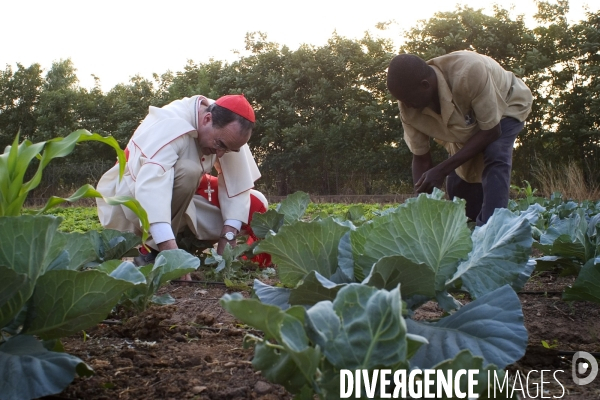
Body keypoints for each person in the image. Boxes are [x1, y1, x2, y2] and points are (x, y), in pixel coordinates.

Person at [96, 94, 266, 278]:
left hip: (180, 197)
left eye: (228, 149)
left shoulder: (229, 128)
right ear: (207, 119)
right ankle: (152, 251)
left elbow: (238, 186)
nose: (221, 153)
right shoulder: (171, 123)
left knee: (255, 204)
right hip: (129, 197)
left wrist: (228, 238)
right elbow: (151, 189)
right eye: (220, 145)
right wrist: (173, 256)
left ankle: (185, 246)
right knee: (189, 171)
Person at [386, 51, 533, 226]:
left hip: (506, 105)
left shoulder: (469, 72)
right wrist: (423, 207)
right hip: (466, 128)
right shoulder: (408, 107)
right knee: (460, 183)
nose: (406, 105)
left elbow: (492, 131)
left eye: (408, 99)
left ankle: (493, 230)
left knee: (495, 153)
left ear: (425, 85)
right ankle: (471, 226)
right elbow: (421, 157)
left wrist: (441, 170)